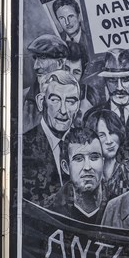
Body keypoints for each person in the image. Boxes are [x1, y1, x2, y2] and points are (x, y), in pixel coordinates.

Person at [23, 71, 80, 206]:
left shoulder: (87, 144)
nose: (64, 110)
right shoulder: (22, 146)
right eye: (55, 100)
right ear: (41, 101)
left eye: (71, 101)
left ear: (78, 106)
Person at [46, 128, 108, 224]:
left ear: (103, 163)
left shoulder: (119, 208)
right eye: (78, 159)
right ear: (66, 167)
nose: (87, 167)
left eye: (94, 157)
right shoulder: (47, 211)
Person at [23, 34, 69, 132]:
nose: (36, 66)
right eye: (35, 58)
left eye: (43, 58)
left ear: (60, 63)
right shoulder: (23, 99)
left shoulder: (78, 98)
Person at [84, 109, 127, 199]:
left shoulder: (128, 168)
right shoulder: (87, 171)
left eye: (112, 133)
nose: (109, 141)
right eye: (101, 135)